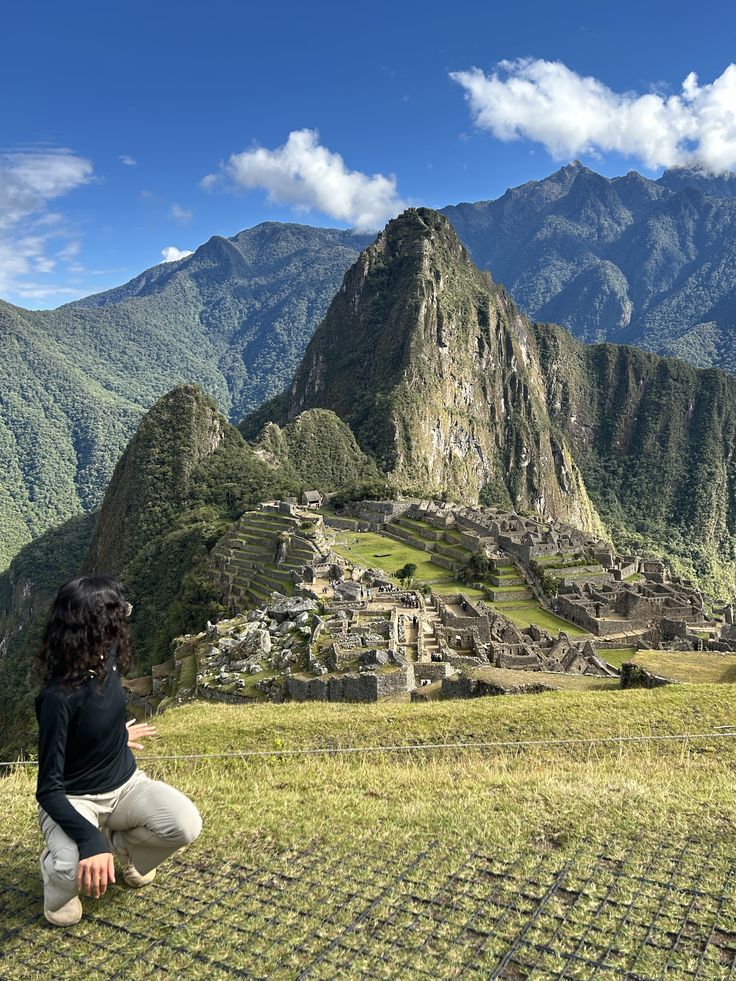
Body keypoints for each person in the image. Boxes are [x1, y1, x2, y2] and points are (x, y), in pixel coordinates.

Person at [35, 575, 202, 927]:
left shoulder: (105, 655)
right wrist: (89, 838)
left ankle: (122, 849)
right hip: (74, 798)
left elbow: (100, 711)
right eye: (117, 612)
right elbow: (48, 789)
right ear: (96, 626)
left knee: (184, 823)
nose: (124, 616)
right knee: (69, 869)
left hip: (125, 785)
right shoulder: (57, 699)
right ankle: (57, 875)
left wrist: (115, 734)